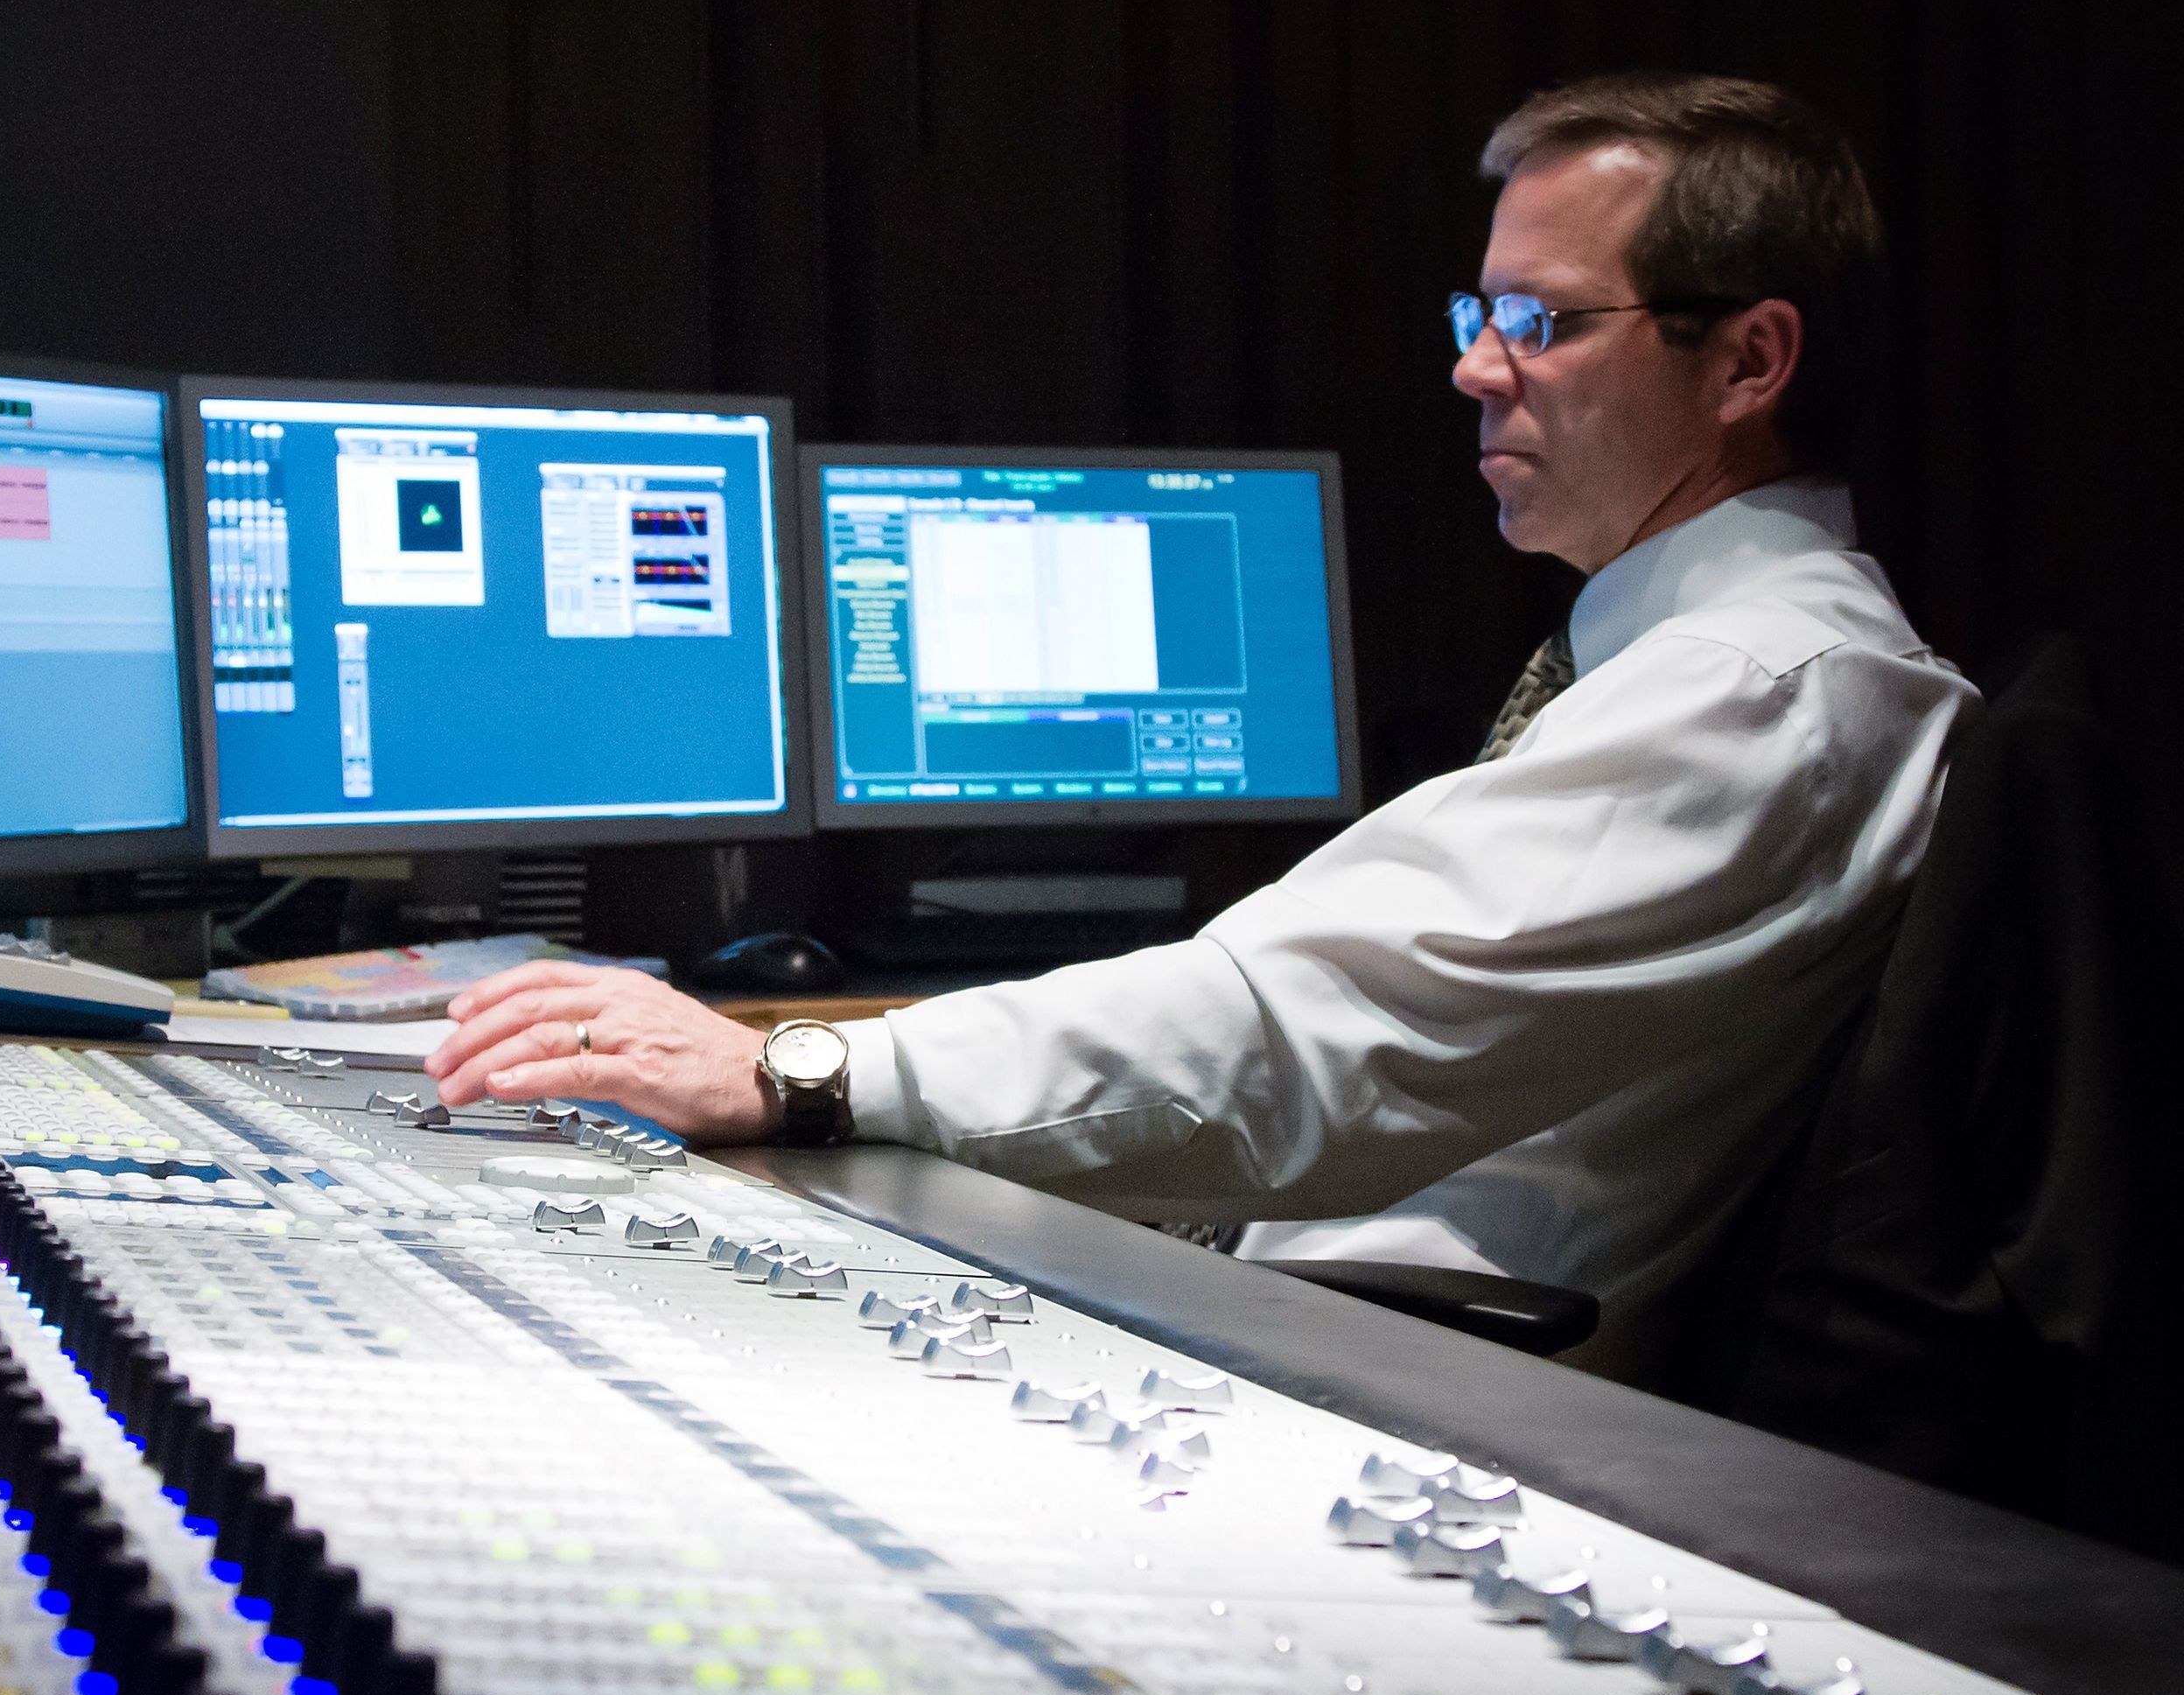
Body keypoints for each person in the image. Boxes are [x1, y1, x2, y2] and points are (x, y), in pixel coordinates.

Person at [425, 73, 1977, 1373]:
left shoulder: (1770, 692)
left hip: (1389, 1372)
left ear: (1752, 360)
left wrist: (801, 1073)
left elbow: (1300, 1034)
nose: (1471, 366)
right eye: (1475, 307)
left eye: (1541, 320)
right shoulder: (1690, 660)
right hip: (1288, 1302)